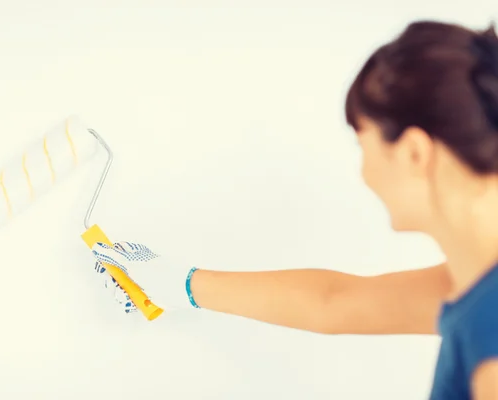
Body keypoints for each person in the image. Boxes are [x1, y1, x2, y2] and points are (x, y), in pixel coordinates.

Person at [92, 20, 498, 399]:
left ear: (413, 153)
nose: (364, 173)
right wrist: (179, 283)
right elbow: (335, 302)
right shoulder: (473, 281)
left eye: (363, 145)